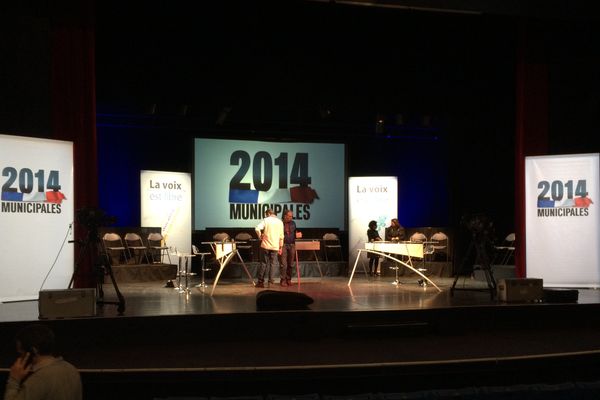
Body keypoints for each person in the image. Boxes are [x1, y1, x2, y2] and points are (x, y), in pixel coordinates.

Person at [4, 324, 82, 400]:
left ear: (34, 350)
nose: (19, 358)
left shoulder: (39, 379)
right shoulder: (71, 368)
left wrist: (14, 380)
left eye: (21, 353)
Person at [255, 209, 284, 288]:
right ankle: (270, 282)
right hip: (275, 246)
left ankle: (260, 282)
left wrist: (260, 235)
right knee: (273, 264)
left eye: (266, 214)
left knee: (263, 263)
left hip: (265, 245)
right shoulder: (280, 222)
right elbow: (281, 236)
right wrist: (281, 247)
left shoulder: (266, 220)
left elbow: (257, 228)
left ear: (268, 213)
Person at [279, 209, 302, 286]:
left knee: (291, 264)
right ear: (285, 216)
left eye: (292, 216)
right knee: (283, 264)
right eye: (289, 216)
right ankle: (283, 280)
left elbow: (295, 233)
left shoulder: (293, 223)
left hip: (292, 245)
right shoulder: (280, 223)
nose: (291, 217)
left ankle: (289, 279)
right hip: (283, 245)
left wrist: (298, 235)